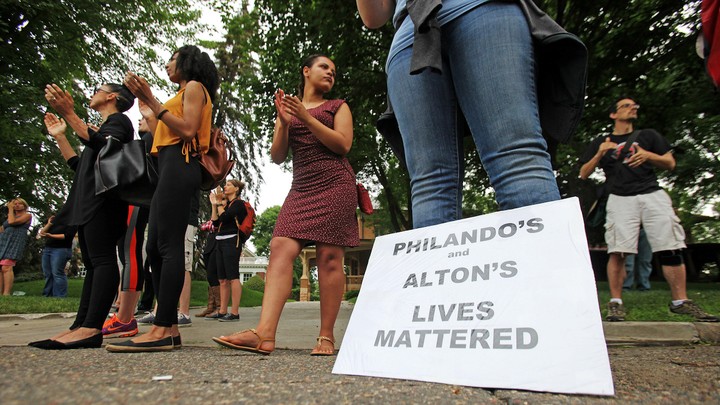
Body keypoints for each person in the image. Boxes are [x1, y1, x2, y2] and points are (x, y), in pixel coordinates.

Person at [356, 0, 561, 229]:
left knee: (514, 159)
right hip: (411, 33)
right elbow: (373, 17)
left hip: (480, 6)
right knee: (433, 183)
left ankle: (548, 252)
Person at [212, 55, 358, 356]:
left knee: (329, 257)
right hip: (302, 188)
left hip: (335, 184)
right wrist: (282, 122)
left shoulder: (337, 106)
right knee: (280, 246)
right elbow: (278, 156)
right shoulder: (289, 110)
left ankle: (326, 336)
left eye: (333, 70)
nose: (330, 73)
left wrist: (306, 118)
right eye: (324, 67)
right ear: (306, 71)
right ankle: (264, 334)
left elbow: (343, 145)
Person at [106, 45, 219, 352]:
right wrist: (149, 110)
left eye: (172, 59)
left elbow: (188, 130)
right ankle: (169, 328)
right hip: (169, 168)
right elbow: (165, 137)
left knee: (167, 247)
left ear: (188, 62)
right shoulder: (181, 93)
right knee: (154, 248)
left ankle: (162, 329)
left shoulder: (194, 87)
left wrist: (153, 100)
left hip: (181, 168)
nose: (167, 65)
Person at [579, 97, 718, 322]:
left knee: (671, 246)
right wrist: (599, 153)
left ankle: (680, 302)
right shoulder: (601, 141)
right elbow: (584, 173)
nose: (632, 108)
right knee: (618, 250)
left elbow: (670, 163)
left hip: (652, 194)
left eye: (634, 105)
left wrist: (648, 155)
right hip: (619, 197)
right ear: (613, 114)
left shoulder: (649, 136)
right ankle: (616, 303)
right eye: (626, 106)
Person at [30, 82, 135, 350]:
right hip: (89, 203)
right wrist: (60, 137)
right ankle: (80, 326)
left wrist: (69, 113)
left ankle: (91, 328)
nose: (92, 93)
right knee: (92, 263)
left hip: (105, 203)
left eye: (98, 89)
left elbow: (104, 146)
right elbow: (79, 165)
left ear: (112, 96)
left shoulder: (119, 121)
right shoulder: (103, 128)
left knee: (102, 260)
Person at [210, 179, 248, 322]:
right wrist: (214, 204)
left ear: (236, 189)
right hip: (220, 241)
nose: (225, 187)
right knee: (222, 279)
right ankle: (222, 310)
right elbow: (215, 222)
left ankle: (235, 313)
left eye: (228, 185)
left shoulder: (238, 204)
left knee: (233, 277)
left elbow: (225, 218)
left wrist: (220, 203)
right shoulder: (225, 205)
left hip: (232, 240)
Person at [196, 187, 222, 319]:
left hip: (218, 245)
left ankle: (219, 307)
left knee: (214, 275)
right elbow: (206, 226)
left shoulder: (226, 208)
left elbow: (215, 223)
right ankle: (211, 306)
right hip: (211, 244)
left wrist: (216, 204)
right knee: (210, 275)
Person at [0, 198, 33, 295]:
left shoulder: (27, 216)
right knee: (1, 268)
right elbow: (2, 228)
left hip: (14, 243)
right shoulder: (11, 216)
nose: (17, 205)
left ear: (24, 206)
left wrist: (10, 209)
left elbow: (12, 222)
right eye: (15, 204)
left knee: (6, 267)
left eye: (19, 204)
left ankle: (6, 293)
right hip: (4, 242)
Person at [39, 215, 77, 297]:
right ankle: (47, 294)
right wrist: (49, 224)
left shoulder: (72, 222)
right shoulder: (55, 222)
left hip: (61, 249)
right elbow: (42, 233)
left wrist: (51, 236)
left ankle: (59, 296)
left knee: (57, 272)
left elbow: (67, 236)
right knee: (48, 273)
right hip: (48, 248)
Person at [623, 227, 653, 291]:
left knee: (645, 261)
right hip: (628, 228)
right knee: (628, 262)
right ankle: (625, 286)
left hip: (646, 228)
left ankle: (644, 286)